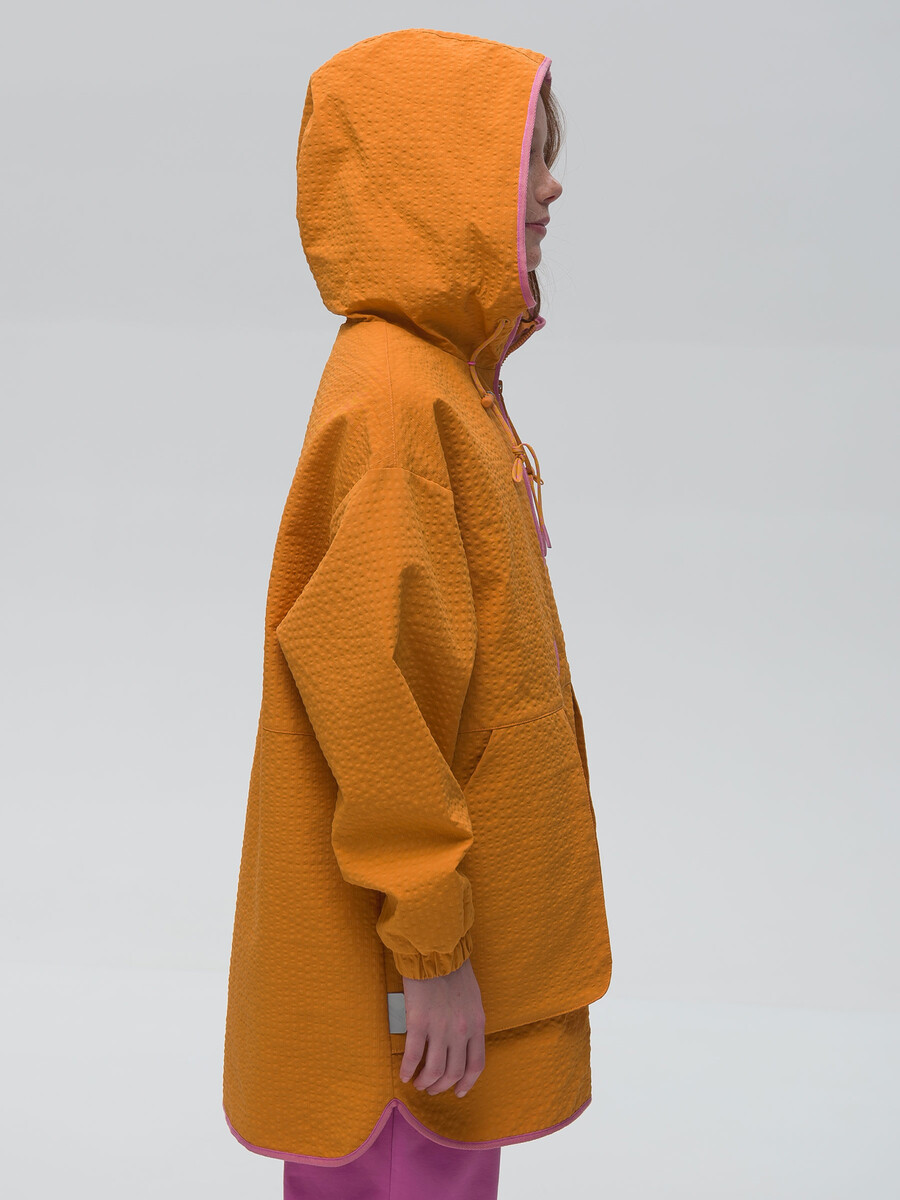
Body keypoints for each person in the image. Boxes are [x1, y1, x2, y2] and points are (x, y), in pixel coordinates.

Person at [222, 28, 613, 1200]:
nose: (552, 189)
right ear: (438, 175)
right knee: (405, 1169)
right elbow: (367, 688)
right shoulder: (400, 402)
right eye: (523, 158)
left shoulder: (442, 386)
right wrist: (431, 949)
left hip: (427, 952)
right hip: (409, 977)